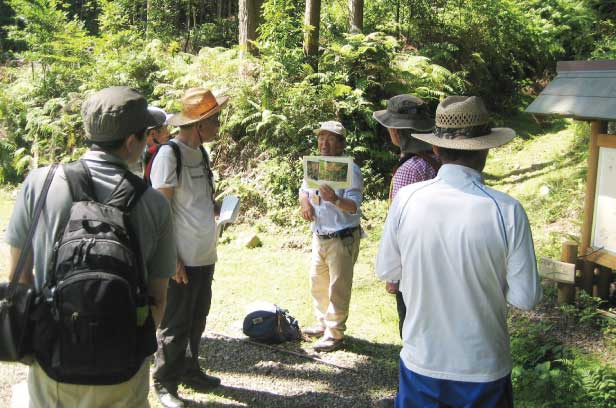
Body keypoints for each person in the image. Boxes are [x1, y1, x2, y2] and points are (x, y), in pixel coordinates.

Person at [6, 86, 176, 408]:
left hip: (52, 360)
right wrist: (129, 349)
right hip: (123, 370)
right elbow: (158, 297)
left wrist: (39, 338)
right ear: (130, 142)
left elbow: (18, 276)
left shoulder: (39, 184)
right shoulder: (154, 203)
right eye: (145, 135)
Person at [376, 96, 542, 407]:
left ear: (436, 148)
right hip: (483, 368)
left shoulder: (407, 199)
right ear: (485, 149)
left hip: (421, 361)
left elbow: (387, 271)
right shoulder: (507, 210)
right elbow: (525, 298)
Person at [150, 87, 228, 408]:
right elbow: (160, 211)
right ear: (199, 125)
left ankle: (190, 370)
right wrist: (173, 258)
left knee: (198, 317)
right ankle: (164, 382)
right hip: (180, 258)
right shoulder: (170, 155)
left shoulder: (202, 154)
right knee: (175, 322)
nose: (218, 127)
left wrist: (218, 213)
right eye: (215, 121)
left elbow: (197, 202)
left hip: (205, 255)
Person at [373, 94, 438, 337]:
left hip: (413, 266)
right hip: (436, 258)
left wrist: (393, 275)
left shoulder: (409, 170)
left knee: (411, 328)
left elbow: (400, 226)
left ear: (395, 132)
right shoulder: (439, 158)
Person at [299, 121, 364, 352]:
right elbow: (303, 191)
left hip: (342, 238)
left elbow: (354, 206)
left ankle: (335, 333)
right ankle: (322, 323)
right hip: (320, 236)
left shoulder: (351, 170)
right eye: (321, 138)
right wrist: (305, 202)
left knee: (338, 287)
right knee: (318, 282)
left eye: (330, 139)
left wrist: (335, 199)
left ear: (340, 144)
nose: (324, 143)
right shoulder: (316, 166)